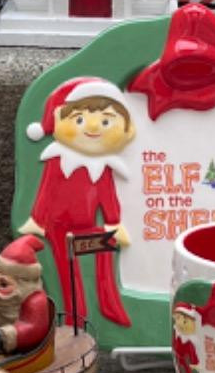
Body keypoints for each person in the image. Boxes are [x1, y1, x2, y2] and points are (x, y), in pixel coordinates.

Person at [21, 79, 134, 328]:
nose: (93, 128)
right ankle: (75, 314)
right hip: (58, 226)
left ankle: (108, 302)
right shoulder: (58, 160)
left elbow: (108, 197)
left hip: (87, 225)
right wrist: (37, 219)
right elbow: (46, 190)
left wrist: (113, 223)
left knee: (107, 242)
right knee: (67, 268)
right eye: (79, 119)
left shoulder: (103, 166)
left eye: (106, 122)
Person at [0, 237, 56, 358]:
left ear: (23, 285)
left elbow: (33, 328)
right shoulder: (7, 300)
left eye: (3, 284)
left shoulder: (35, 301)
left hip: (23, 351)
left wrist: (4, 337)